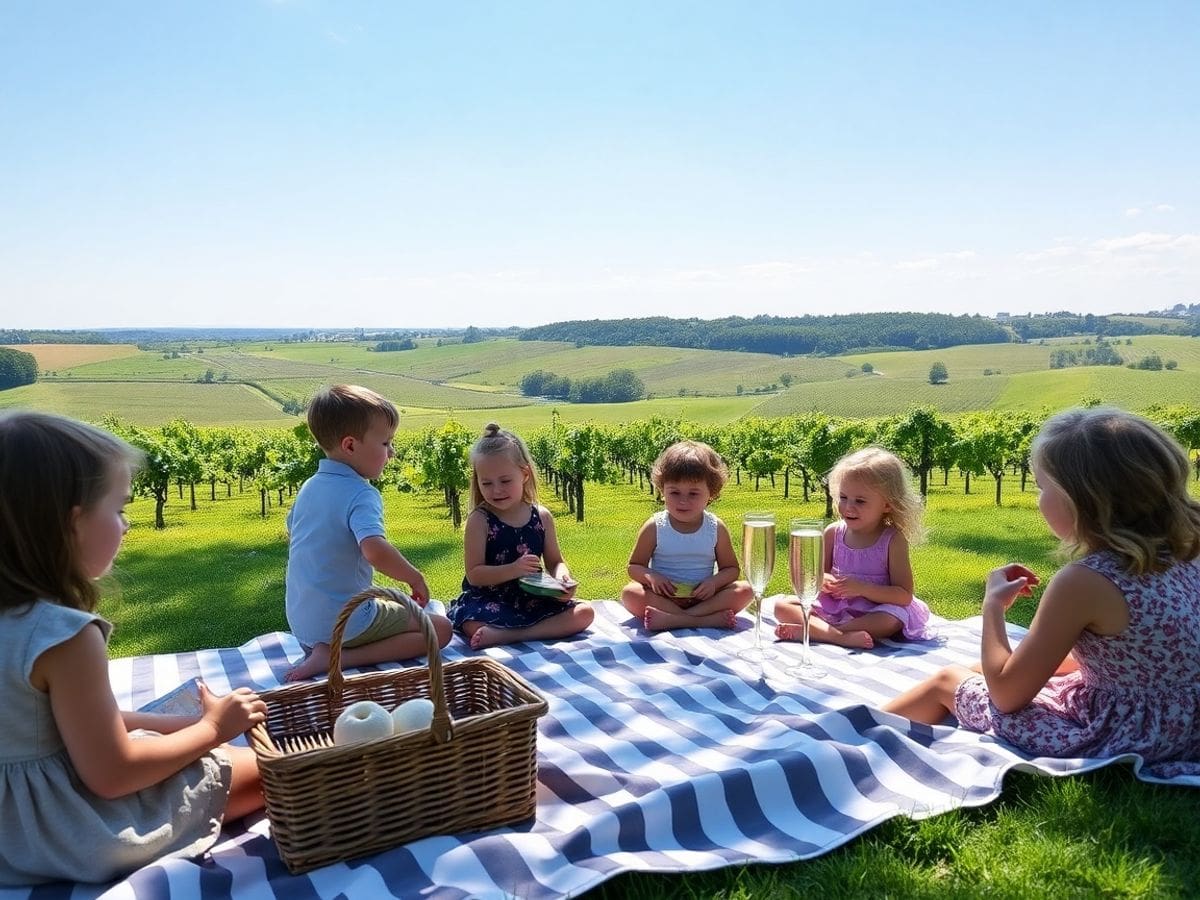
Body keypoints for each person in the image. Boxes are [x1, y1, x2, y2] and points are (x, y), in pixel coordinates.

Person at [0, 411, 266, 885]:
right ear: (73, 523)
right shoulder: (62, 635)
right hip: (62, 831)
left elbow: (49, 726)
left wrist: (167, 725)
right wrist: (210, 730)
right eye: (119, 508)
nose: (125, 524)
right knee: (267, 770)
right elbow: (113, 774)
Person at [884, 408, 1200, 778]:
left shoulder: (1084, 581)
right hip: (1188, 721)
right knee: (986, 669)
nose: (1038, 499)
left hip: (1134, 734)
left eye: (1041, 486)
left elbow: (1006, 695)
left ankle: (858, 738)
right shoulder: (1188, 548)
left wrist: (993, 607)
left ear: (1081, 499)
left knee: (949, 680)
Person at [284, 385, 452, 681]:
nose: (392, 452)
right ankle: (339, 658)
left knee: (393, 606)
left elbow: (292, 528)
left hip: (303, 626)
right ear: (350, 446)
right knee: (440, 629)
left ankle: (323, 650)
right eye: (386, 443)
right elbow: (373, 549)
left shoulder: (309, 487)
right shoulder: (361, 493)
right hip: (346, 623)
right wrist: (414, 576)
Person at [448, 423, 593, 650]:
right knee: (471, 621)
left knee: (584, 613)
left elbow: (555, 561)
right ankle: (524, 631)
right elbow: (475, 575)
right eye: (486, 483)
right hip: (490, 599)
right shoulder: (480, 520)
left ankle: (512, 635)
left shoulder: (541, 516)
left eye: (505, 481)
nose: (496, 490)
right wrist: (514, 569)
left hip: (531, 596)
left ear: (524, 474)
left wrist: (562, 580)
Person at [775, 447, 933, 649]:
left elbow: (903, 595)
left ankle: (817, 630)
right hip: (835, 607)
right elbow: (815, 578)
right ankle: (838, 636)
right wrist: (823, 580)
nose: (848, 507)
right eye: (843, 497)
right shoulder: (833, 533)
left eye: (860, 501)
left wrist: (862, 589)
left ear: (887, 504)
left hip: (874, 610)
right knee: (782, 606)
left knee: (891, 618)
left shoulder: (892, 540)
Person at [621, 440, 752, 631]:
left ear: (711, 493)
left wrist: (713, 583)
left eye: (693, 494)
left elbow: (731, 569)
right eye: (674, 492)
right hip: (664, 599)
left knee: (745, 590)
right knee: (630, 593)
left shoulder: (715, 527)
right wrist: (652, 577)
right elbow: (634, 566)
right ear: (662, 490)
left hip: (703, 599)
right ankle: (705, 620)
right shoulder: (655, 526)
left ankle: (676, 620)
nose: (683, 501)